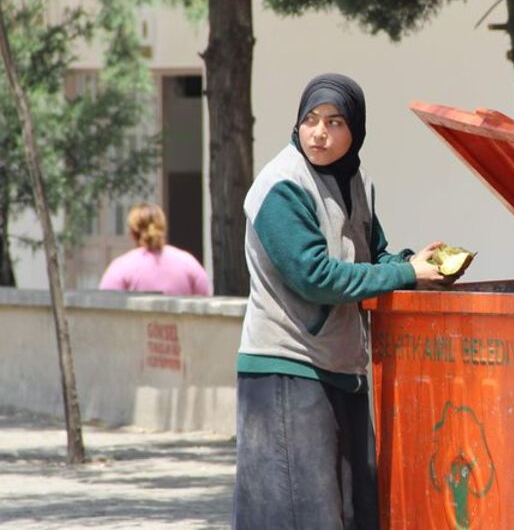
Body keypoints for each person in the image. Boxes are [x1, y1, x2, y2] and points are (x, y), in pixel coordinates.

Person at [233, 73, 455, 530]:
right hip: (286, 368)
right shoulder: (282, 186)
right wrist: (403, 273)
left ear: (355, 130)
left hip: (340, 367)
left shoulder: (355, 181)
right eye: (310, 120)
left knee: (351, 512)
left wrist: (417, 267)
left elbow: (372, 256)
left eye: (334, 122)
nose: (319, 132)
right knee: (300, 513)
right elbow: (315, 277)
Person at [98, 202, 210, 296]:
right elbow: (206, 300)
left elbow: (105, 306)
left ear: (132, 233)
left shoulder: (121, 267)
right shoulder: (188, 263)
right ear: (163, 228)